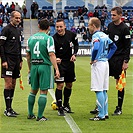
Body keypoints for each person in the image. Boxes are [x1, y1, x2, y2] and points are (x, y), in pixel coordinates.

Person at [90, 6, 131, 116]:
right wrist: (107, 57)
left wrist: (126, 61)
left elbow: (127, 46)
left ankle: (119, 107)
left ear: (120, 15)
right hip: (109, 58)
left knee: (119, 83)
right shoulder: (109, 26)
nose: (112, 16)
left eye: (114, 15)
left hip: (120, 59)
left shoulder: (125, 29)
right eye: (111, 14)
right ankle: (100, 106)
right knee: (102, 83)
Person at [26, 19, 60, 121]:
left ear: (38, 26)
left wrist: (29, 68)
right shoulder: (48, 38)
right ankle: (40, 116)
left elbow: (28, 55)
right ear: (49, 28)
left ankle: (30, 113)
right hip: (44, 66)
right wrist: (56, 69)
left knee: (33, 91)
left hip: (34, 66)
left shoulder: (31, 38)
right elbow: (51, 54)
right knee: (43, 91)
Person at [88, 17, 117, 121]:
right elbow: (114, 47)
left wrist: (93, 59)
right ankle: (105, 112)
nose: (88, 27)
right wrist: (107, 57)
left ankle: (100, 115)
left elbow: (96, 47)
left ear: (93, 26)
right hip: (105, 63)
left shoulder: (96, 35)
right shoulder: (105, 35)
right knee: (104, 89)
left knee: (98, 89)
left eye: (89, 25)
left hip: (99, 64)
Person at [53, 19, 79, 116]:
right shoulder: (53, 38)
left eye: (60, 27)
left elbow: (76, 45)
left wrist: (74, 54)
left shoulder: (71, 35)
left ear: (65, 26)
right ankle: (60, 107)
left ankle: (66, 104)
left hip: (69, 63)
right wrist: (55, 59)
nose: (59, 29)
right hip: (59, 65)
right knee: (60, 85)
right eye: (57, 27)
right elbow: (51, 52)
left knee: (69, 84)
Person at [0, 11, 22, 117]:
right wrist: (3, 60)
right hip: (8, 60)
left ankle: (10, 108)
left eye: (19, 18)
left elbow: (19, 45)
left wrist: (21, 60)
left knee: (13, 84)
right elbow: (1, 46)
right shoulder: (6, 29)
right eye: (16, 18)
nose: (18, 20)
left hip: (17, 60)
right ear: (11, 18)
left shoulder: (18, 30)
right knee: (8, 84)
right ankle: (7, 109)